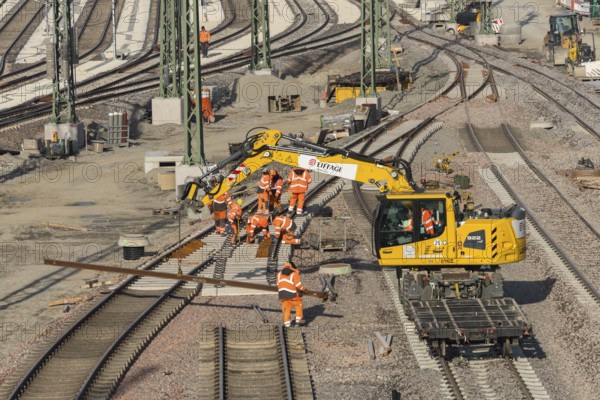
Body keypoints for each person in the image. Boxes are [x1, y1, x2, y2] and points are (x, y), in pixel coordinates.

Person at [276, 261, 307, 327]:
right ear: (293, 267)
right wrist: (304, 290)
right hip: (293, 295)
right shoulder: (294, 274)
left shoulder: (279, 274)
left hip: (282, 295)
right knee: (299, 305)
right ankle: (298, 321)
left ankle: (287, 323)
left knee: (285, 308)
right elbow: (298, 285)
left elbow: (278, 284)